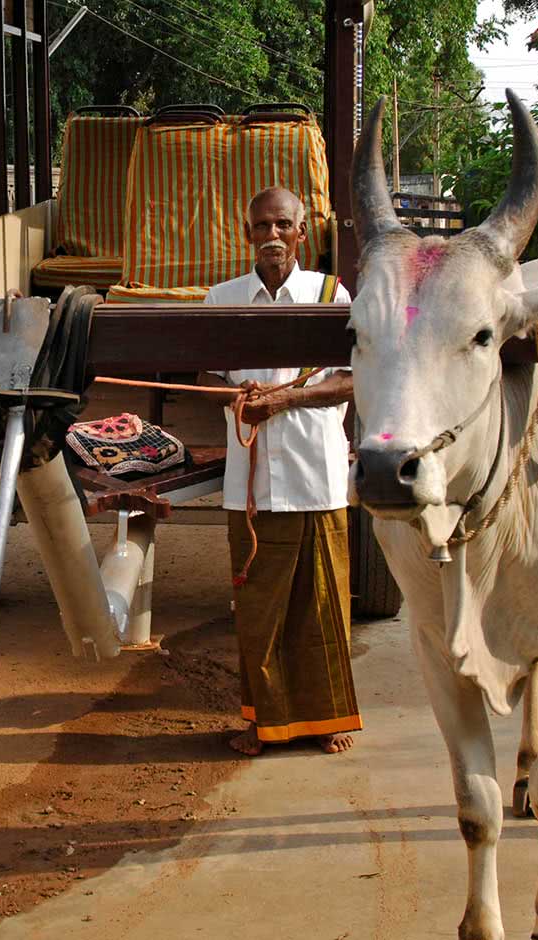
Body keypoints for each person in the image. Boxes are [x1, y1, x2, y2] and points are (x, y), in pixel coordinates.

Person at [204, 186, 362, 757]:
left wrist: (283, 400)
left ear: (302, 232)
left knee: (321, 606)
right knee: (258, 609)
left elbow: (351, 378)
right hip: (250, 482)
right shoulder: (221, 300)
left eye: (282, 225)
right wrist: (234, 396)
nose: (271, 236)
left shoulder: (330, 294)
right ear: (246, 234)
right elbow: (206, 377)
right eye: (261, 227)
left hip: (316, 474)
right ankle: (261, 723)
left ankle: (327, 720)